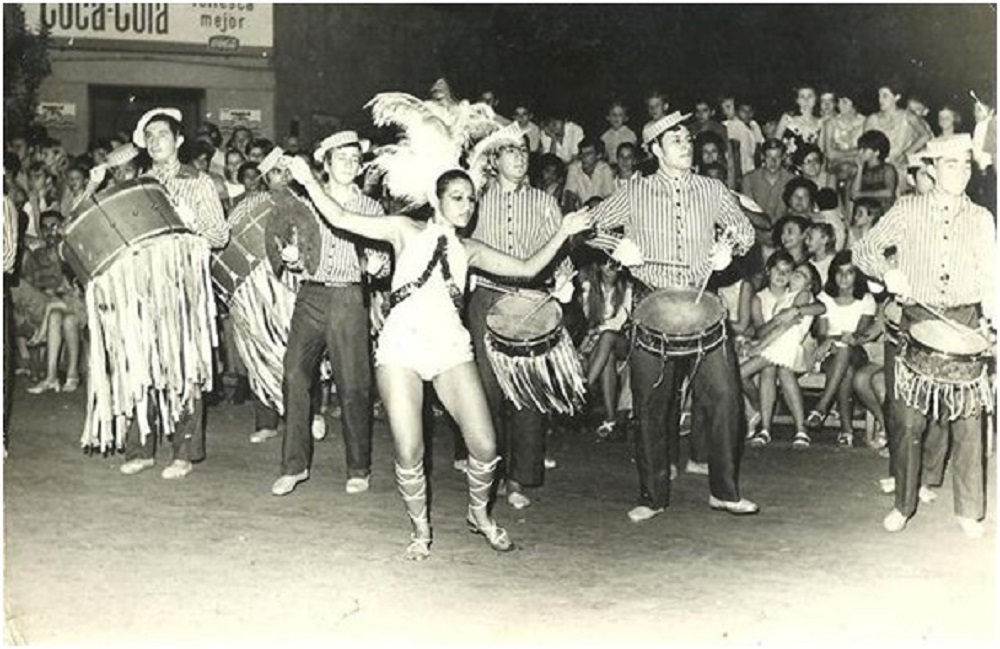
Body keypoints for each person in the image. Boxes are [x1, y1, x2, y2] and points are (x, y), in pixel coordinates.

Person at [286, 157, 591, 559]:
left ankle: (479, 514)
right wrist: (309, 181)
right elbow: (341, 218)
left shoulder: (470, 249)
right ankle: (420, 528)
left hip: (449, 345)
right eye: (457, 197)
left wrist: (564, 231)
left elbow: (527, 269)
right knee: (410, 450)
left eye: (472, 199)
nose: (467, 206)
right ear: (437, 199)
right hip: (403, 345)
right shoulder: (404, 229)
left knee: (485, 445)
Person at [588, 111, 758, 521]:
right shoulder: (635, 191)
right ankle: (652, 496)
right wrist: (615, 247)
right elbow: (589, 226)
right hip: (653, 306)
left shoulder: (712, 188)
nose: (686, 145)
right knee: (651, 406)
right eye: (675, 140)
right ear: (655, 150)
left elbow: (746, 231)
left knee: (726, 398)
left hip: (703, 305)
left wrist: (730, 248)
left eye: (687, 139)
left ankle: (725, 492)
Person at [853, 133, 996, 538]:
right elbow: (864, 250)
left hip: (964, 323)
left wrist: (995, 316)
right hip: (915, 321)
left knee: (968, 421)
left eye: (966, 165)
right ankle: (903, 504)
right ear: (931, 169)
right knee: (907, 422)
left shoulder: (981, 217)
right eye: (951, 164)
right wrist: (887, 272)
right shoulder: (907, 209)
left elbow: (992, 275)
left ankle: (969, 511)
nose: (961, 172)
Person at [113, 107, 229, 479]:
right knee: (142, 365)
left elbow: (219, 236)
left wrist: (190, 223)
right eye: (149, 136)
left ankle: (183, 451)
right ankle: (141, 449)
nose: (155, 141)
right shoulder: (139, 183)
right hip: (145, 286)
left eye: (162, 134)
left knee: (185, 367)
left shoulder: (199, 182)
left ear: (178, 140)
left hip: (184, 286)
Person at [468, 124, 576, 510]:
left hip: (531, 299)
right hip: (486, 297)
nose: (520, 157)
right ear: (494, 159)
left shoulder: (544, 202)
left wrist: (564, 280)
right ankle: (490, 472)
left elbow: (559, 251)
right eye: (510, 150)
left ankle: (519, 479)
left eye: (523, 151)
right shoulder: (477, 200)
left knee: (527, 391)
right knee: (487, 389)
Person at [270, 131, 383, 497]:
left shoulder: (371, 208)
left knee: (353, 384)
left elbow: (381, 257)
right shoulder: (305, 203)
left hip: (349, 296)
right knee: (294, 374)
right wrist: (292, 258)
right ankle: (294, 466)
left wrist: (379, 265)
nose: (349, 164)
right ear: (326, 163)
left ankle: (358, 467)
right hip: (311, 295)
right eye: (341, 158)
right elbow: (295, 250)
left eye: (354, 158)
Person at [743, 256, 824, 449]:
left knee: (741, 372)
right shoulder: (787, 296)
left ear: (809, 284)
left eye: (802, 275)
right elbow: (770, 327)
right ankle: (772, 429)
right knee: (773, 373)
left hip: (786, 346)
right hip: (778, 344)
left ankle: (786, 427)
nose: (795, 275)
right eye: (796, 272)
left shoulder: (803, 295)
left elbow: (785, 326)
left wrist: (759, 347)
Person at [805, 250, 878, 447]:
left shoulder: (866, 299)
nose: (844, 277)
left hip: (856, 352)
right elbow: (822, 334)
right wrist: (829, 341)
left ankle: (822, 407)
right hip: (831, 355)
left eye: (850, 272)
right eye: (839, 272)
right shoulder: (825, 298)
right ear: (833, 274)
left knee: (845, 350)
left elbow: (858, 335)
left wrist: (834, 339)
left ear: (857, 275)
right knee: (847, 372)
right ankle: (846, 431)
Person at [18, 210, 84, 395]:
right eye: (45, 228)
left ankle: (72, 373)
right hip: (57, 303)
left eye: (54, 226)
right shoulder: (38, 255)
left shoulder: (71, 251)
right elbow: (35, 284)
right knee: (57, 315)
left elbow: (78, 287)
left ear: (62, 227)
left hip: (78, 302)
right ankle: (52, 377)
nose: (50, 232)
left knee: (67, 318)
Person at [576, 250, 633, 440]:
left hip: (623, 341)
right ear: (599, 267)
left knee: (608, 336)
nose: (610, 269)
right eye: (605, 264)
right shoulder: (590, 289)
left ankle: (584, 387)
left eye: (614, 264)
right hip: (601, 345)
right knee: (607, 358)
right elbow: (589, 318)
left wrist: (600, 330)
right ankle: (610, 419)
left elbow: (619, 322)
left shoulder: (627, 288)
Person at [863, 83, 931, 186]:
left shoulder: (908, 116)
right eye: (879, 96)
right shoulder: (872, 119)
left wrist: (906, 153)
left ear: (896, 97)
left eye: (885, 96)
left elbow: (925, 135)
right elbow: (865, 145)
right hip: (879, 167)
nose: (880, 100)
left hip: (901, 166)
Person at [741, 139, 796, 257]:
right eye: (769, 157)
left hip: (784, 240)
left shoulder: (792, 180)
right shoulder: (749, 180)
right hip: (755, 240)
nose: (773, 162)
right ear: (762, 157)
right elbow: (747, 214)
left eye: (777, 157)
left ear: (783, 157)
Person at [850, 130, 898, 216]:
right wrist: (860, 168)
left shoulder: (887, 169)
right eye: (860, 149)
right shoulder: (861, 170)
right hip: (864, 210)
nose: (860, 153)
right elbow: (854, 195)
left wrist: (862, 194)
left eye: (864, 150)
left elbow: (889, 192)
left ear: (876, 152)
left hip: (883, 210)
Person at [564, 138, 615, 205]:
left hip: (600, 209)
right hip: (580, 210)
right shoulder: (574, 168)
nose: (583, 157)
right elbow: (570, 195)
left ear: (598, 155)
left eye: (588, 154)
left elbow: (609, 197)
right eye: (582, 153)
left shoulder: (604, 169)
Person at [601, 101, 637, 167]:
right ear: (608, 117)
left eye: (620, 115)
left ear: (625, 118)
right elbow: (604, 156)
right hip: (611, 167)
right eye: (613, 114)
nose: (616, 117)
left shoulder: (630, 134)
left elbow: (633, 154)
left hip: (627, 166)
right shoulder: (605, 136)